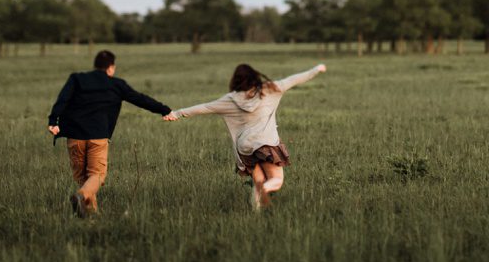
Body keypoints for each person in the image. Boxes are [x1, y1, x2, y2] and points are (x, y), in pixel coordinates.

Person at [163, 62, 326, 210]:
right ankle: (264, 192)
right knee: (276, 180)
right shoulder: (270, 89)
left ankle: (257, 213)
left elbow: (205, 107)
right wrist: (316, 70)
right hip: (266, 143)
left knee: (259, 181)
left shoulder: (230, 99)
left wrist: (177, 113)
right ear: (255, 76)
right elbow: (295, 79)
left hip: (245, 148)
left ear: (236, 80)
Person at [47, 49, 171, 217]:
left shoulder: (76, 79)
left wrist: (53, 121)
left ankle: (90, 219)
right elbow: (140, 99)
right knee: (97, 176)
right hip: (97, 137)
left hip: (75, 137)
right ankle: (81, 197)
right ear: (111, 67)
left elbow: (62, 99)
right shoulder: (116, 84)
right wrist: (164, 110)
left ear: (95, 65)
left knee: (85, 180)